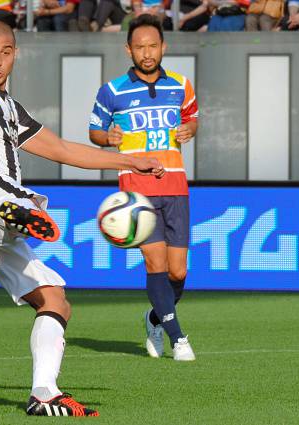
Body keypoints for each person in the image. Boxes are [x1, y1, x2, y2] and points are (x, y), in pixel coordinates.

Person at [0, 20, 164, 417]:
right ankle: (19, 213)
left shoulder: (11, 110)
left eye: (4, 52)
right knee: (16, 201)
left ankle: (44, 392)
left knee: (56, 300)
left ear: (15, 55)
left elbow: (62, 150)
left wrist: (131, 159)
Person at [89, 14, 198, 362]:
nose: (147, 53)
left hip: (176, 185)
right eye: (139, 47)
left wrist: (190, 130)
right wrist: (108, 137)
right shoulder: (113, 90)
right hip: (137, 190)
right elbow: (94, 131)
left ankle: (155, 318)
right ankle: (179, 338)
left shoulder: (181, 85)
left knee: (177, 271)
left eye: (152, 46)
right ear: (129, 49)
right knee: (155, 263)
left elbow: (191, 117)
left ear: (163, 47)